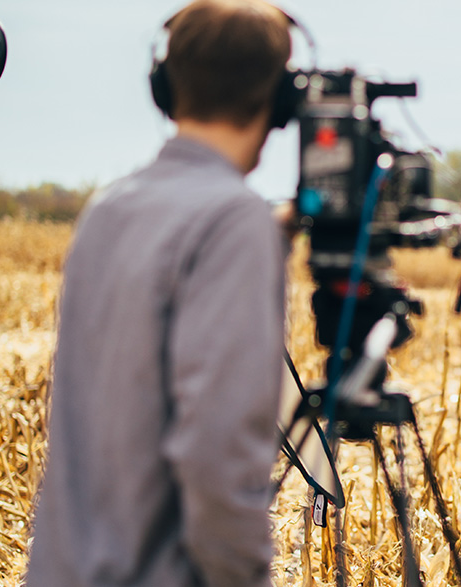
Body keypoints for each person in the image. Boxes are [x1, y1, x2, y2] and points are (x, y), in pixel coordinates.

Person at [26, 1, 293, 585]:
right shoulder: (234, 221)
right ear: (280, 102)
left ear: (165, 88)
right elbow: (217, 453)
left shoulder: (109, 207)